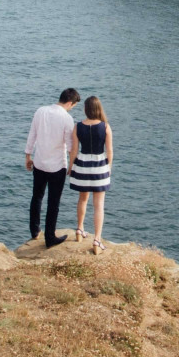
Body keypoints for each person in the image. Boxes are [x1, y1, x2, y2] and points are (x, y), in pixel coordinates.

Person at [25, 88, 81, 247]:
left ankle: (35, 232)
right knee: (53, 203)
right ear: (70, 103)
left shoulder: (40, 111)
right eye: (73, 106)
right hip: (57, 166)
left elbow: (32, 135)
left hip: (40, 163)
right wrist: (71, 165)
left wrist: (28, 156)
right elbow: (70, 146)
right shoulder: (67, 118)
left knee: (36, 197)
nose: (72, 108)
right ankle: (50, 238)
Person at [69, 95, 113, 254]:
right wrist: (109, 167)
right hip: (100, 167)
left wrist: (70, 167)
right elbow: (109, 151)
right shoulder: (105, 126)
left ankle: (80, 230)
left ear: (86, 109)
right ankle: (97, 240)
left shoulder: (78, 126)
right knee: (99, 205)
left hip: (82, 166)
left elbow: (74, 150)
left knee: (82, 199)